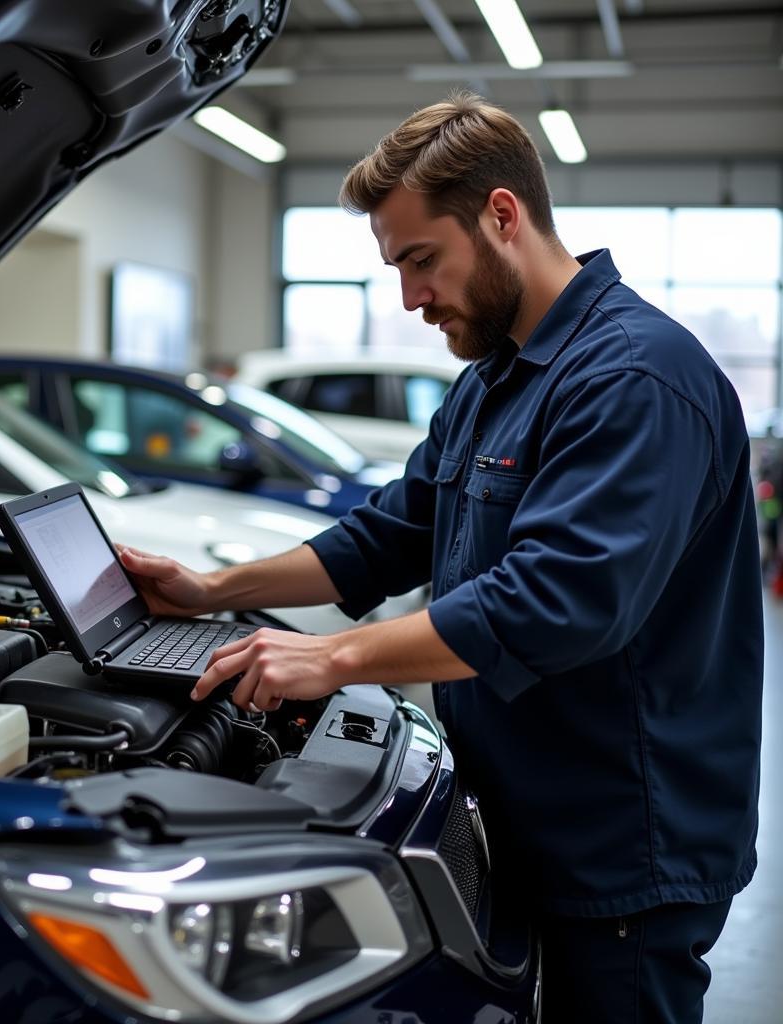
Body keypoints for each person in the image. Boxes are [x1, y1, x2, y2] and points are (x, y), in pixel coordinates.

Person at [118, 93, 763, 1023]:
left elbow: (557, 601)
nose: (411, 297)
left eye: (423, 260)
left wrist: (328, 658)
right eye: (397, 267)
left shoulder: (633, 378)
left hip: (625, 842)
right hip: (533, 817)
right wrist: (213, 588)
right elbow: (389, 532)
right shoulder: (496, 379)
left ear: (503, 216)